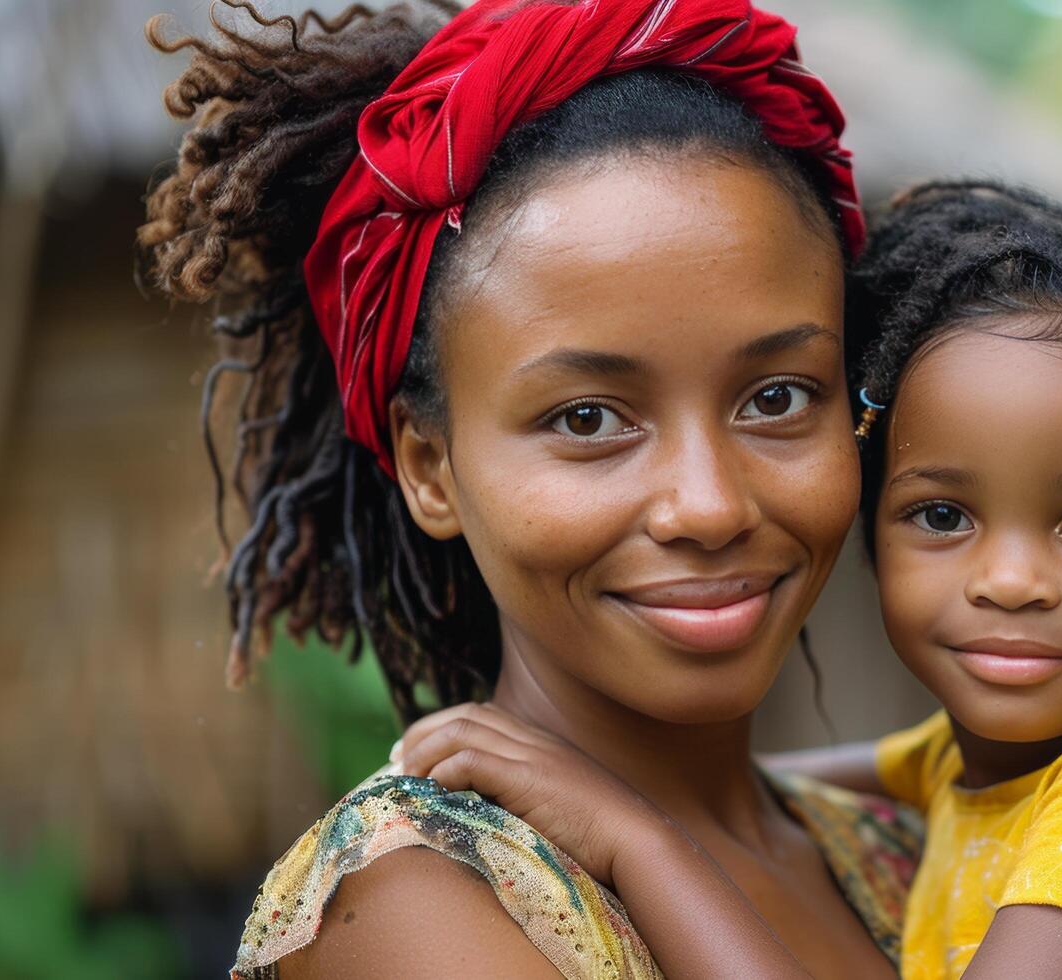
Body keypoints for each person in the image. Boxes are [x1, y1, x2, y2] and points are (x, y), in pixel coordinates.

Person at [138, 2, 917, 977]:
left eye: (776, 396)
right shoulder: (420, 904)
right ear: (431, 468)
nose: (710, 504)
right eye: (588, 418)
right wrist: (643, 845)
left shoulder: (907, 851)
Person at [406, 181, 1062, 978]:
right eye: (942, 517)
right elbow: (781, 782)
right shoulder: (969, 768)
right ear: (871, 530)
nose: (1012, 581)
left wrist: (638, 838)